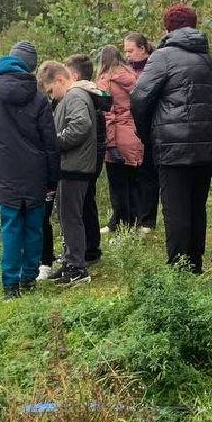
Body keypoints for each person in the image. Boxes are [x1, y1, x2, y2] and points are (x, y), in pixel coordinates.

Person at [130, 3, 212, 272]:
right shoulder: (208, 59)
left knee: (176, 207)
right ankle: (194, 263)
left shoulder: (162, 57)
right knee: (196, 204)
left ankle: (179, 268)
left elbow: (139, 98)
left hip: (173, 144)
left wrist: (147, 133)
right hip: (207, 143)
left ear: (167, 29)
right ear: (194, 26)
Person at [0, 41, 59, 298]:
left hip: (4, 172)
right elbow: (50, 142)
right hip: (36, 173)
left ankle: (10, 285)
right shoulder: (39, 96)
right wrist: (52, 179)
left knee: (10, 228)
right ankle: (29, 279)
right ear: (30, 66)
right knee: (34, 227)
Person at [39, 61, 99, 286]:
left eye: (50, 91)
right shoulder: (72, 96)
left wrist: (54, 143)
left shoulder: (74, 96)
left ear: (60, 80)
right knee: (68, 217)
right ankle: (70, 261)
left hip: (74, 167)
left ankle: (77, 268)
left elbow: (81, 125)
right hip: (72, 166)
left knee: (71, 218)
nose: (51, 96)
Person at [65, 53, 111, 264]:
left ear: (74, 76)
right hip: (95, 152)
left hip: (87, 156)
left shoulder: (78, 95)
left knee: (82, 204)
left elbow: (81, 127)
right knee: (87, 201)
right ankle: (90, 248)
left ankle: (87, 250)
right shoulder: (93, 92)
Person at [97, 45, 144, 232]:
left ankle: (119, 223)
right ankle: (135, 221)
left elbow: (107, 115)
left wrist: (110, 144)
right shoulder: (133, 77)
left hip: (117, 136)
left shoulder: (105, 81)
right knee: (133, 183)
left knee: (117, 186)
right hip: (134, 135)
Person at [124, 32, 159, 233]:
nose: (128, 55)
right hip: (129, 128)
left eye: (131, 50)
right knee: (132, 175)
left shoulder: (154, 67)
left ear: (142, 48)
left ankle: (147, 219)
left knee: (149, 174)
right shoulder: (126, 70)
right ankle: (132, 216)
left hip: (150, 127)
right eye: (126, 51)